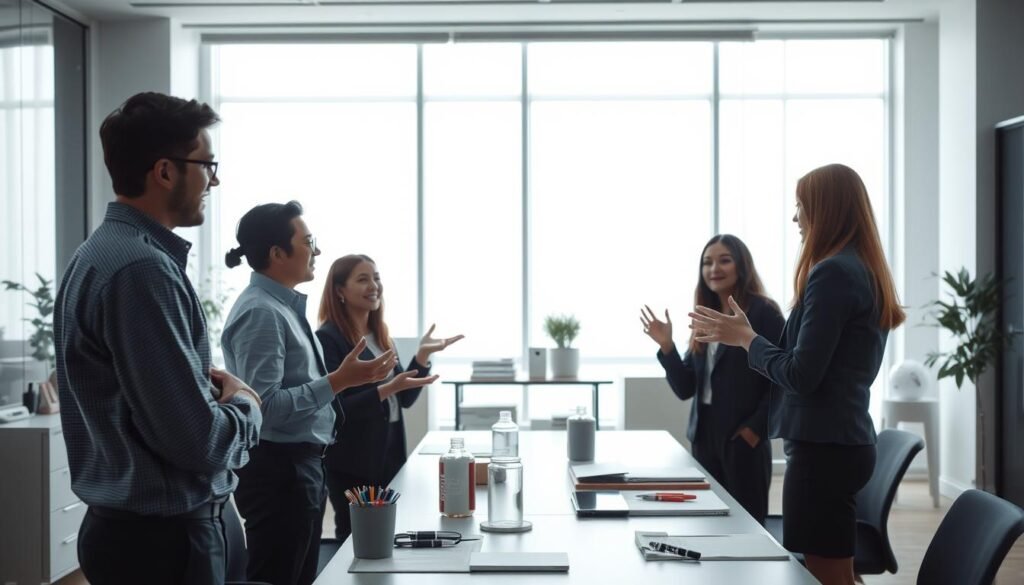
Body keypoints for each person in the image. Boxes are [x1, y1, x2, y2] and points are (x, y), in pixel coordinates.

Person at [54, 92, 263, 585]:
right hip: (166, 544)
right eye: (207, 165)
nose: (214, 180)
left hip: (145, 535)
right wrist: (248, 406)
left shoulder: (104, 253)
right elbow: (199, 443)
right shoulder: (141, 270)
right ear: (165, 171)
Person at [688, 163, 905, 585]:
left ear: (826, 210)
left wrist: (747, 339)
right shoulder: (860, 268)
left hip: (823, 449)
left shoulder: (832, 272)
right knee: (838, 573)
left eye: (801, 207)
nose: (795, 218)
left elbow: (801, 374)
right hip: (842, 442)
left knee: (826, 576)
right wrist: (747, 337)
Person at [221, 202, 403, 585]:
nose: (317, 250)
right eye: (308, 241)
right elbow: (264, 409)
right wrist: (338, 381)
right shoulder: (262, 313)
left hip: (300, 466)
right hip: (280, 470)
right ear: (277, 253)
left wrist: (341, 381)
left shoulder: (282, 307)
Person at [316, 254, 463, 540]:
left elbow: (403, 400)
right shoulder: (328, 339)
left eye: (376, 278)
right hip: (353, 461)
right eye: (363, 279)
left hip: (389, 452)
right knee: (355, 538)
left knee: (386, 536)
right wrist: (387, 389)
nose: (374, 286)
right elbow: (335, 410)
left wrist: (422, 356)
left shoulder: (380, 335)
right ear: (339, 290)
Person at [640, 234, 783, 525]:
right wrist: (667, 347)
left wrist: (754, 430)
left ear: (742, 265)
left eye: (724, 260)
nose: (714, 268)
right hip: (704, 437)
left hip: (743, 438)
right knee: (706, 523)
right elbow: (685, 388)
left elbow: (780, 379)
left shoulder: (764, 312)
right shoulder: (706, 316)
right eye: (707, 262)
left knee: (747, 527)